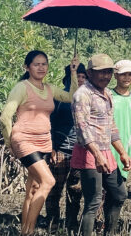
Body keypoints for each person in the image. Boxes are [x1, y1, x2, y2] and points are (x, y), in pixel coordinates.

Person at [0, 51, 79, 236]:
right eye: (36, 64)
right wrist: (10, 143)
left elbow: (71, 97)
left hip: (44, 141)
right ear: (27, 67)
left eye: (44, 64)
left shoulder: (50, 89)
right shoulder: (22, 87)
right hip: (24, 140)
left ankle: (25, 231)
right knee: (48, 181)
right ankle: (29, 232)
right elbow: (5, 117)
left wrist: (73, 73)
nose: (41, 67)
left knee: (33, 189)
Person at [71, 54, 131, 236]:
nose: (106, 76)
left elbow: (111, 126)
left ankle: (109, 233)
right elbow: (81, 128)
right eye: (101, 72)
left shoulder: (107, 94)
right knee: (93, 201)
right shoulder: (82, 94)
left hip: (106, 152)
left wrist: (122, 152)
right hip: (89, 152)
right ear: (89, 72)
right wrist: (97, 155)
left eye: (108, 72)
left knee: (119, 194)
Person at [47, 63, 87, 231]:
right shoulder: (59, 98)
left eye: (83, 77)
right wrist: (52, 148)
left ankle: (71, 222)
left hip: (81, 151)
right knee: (54, 189)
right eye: (77, 77)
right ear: (68, 79)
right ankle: (52, 223)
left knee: (75, 190)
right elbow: (50, 124)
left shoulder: (88, 97)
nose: (80, 80)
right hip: (61, 150)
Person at [107, 60, 131, 228]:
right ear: (116, 75)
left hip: (125, 153)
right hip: (109, 152)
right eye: (123, 74)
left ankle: (108, 226)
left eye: (130, 74)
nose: (127, 77)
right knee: (114, 193)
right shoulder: (108, 95)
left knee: (116, 195)